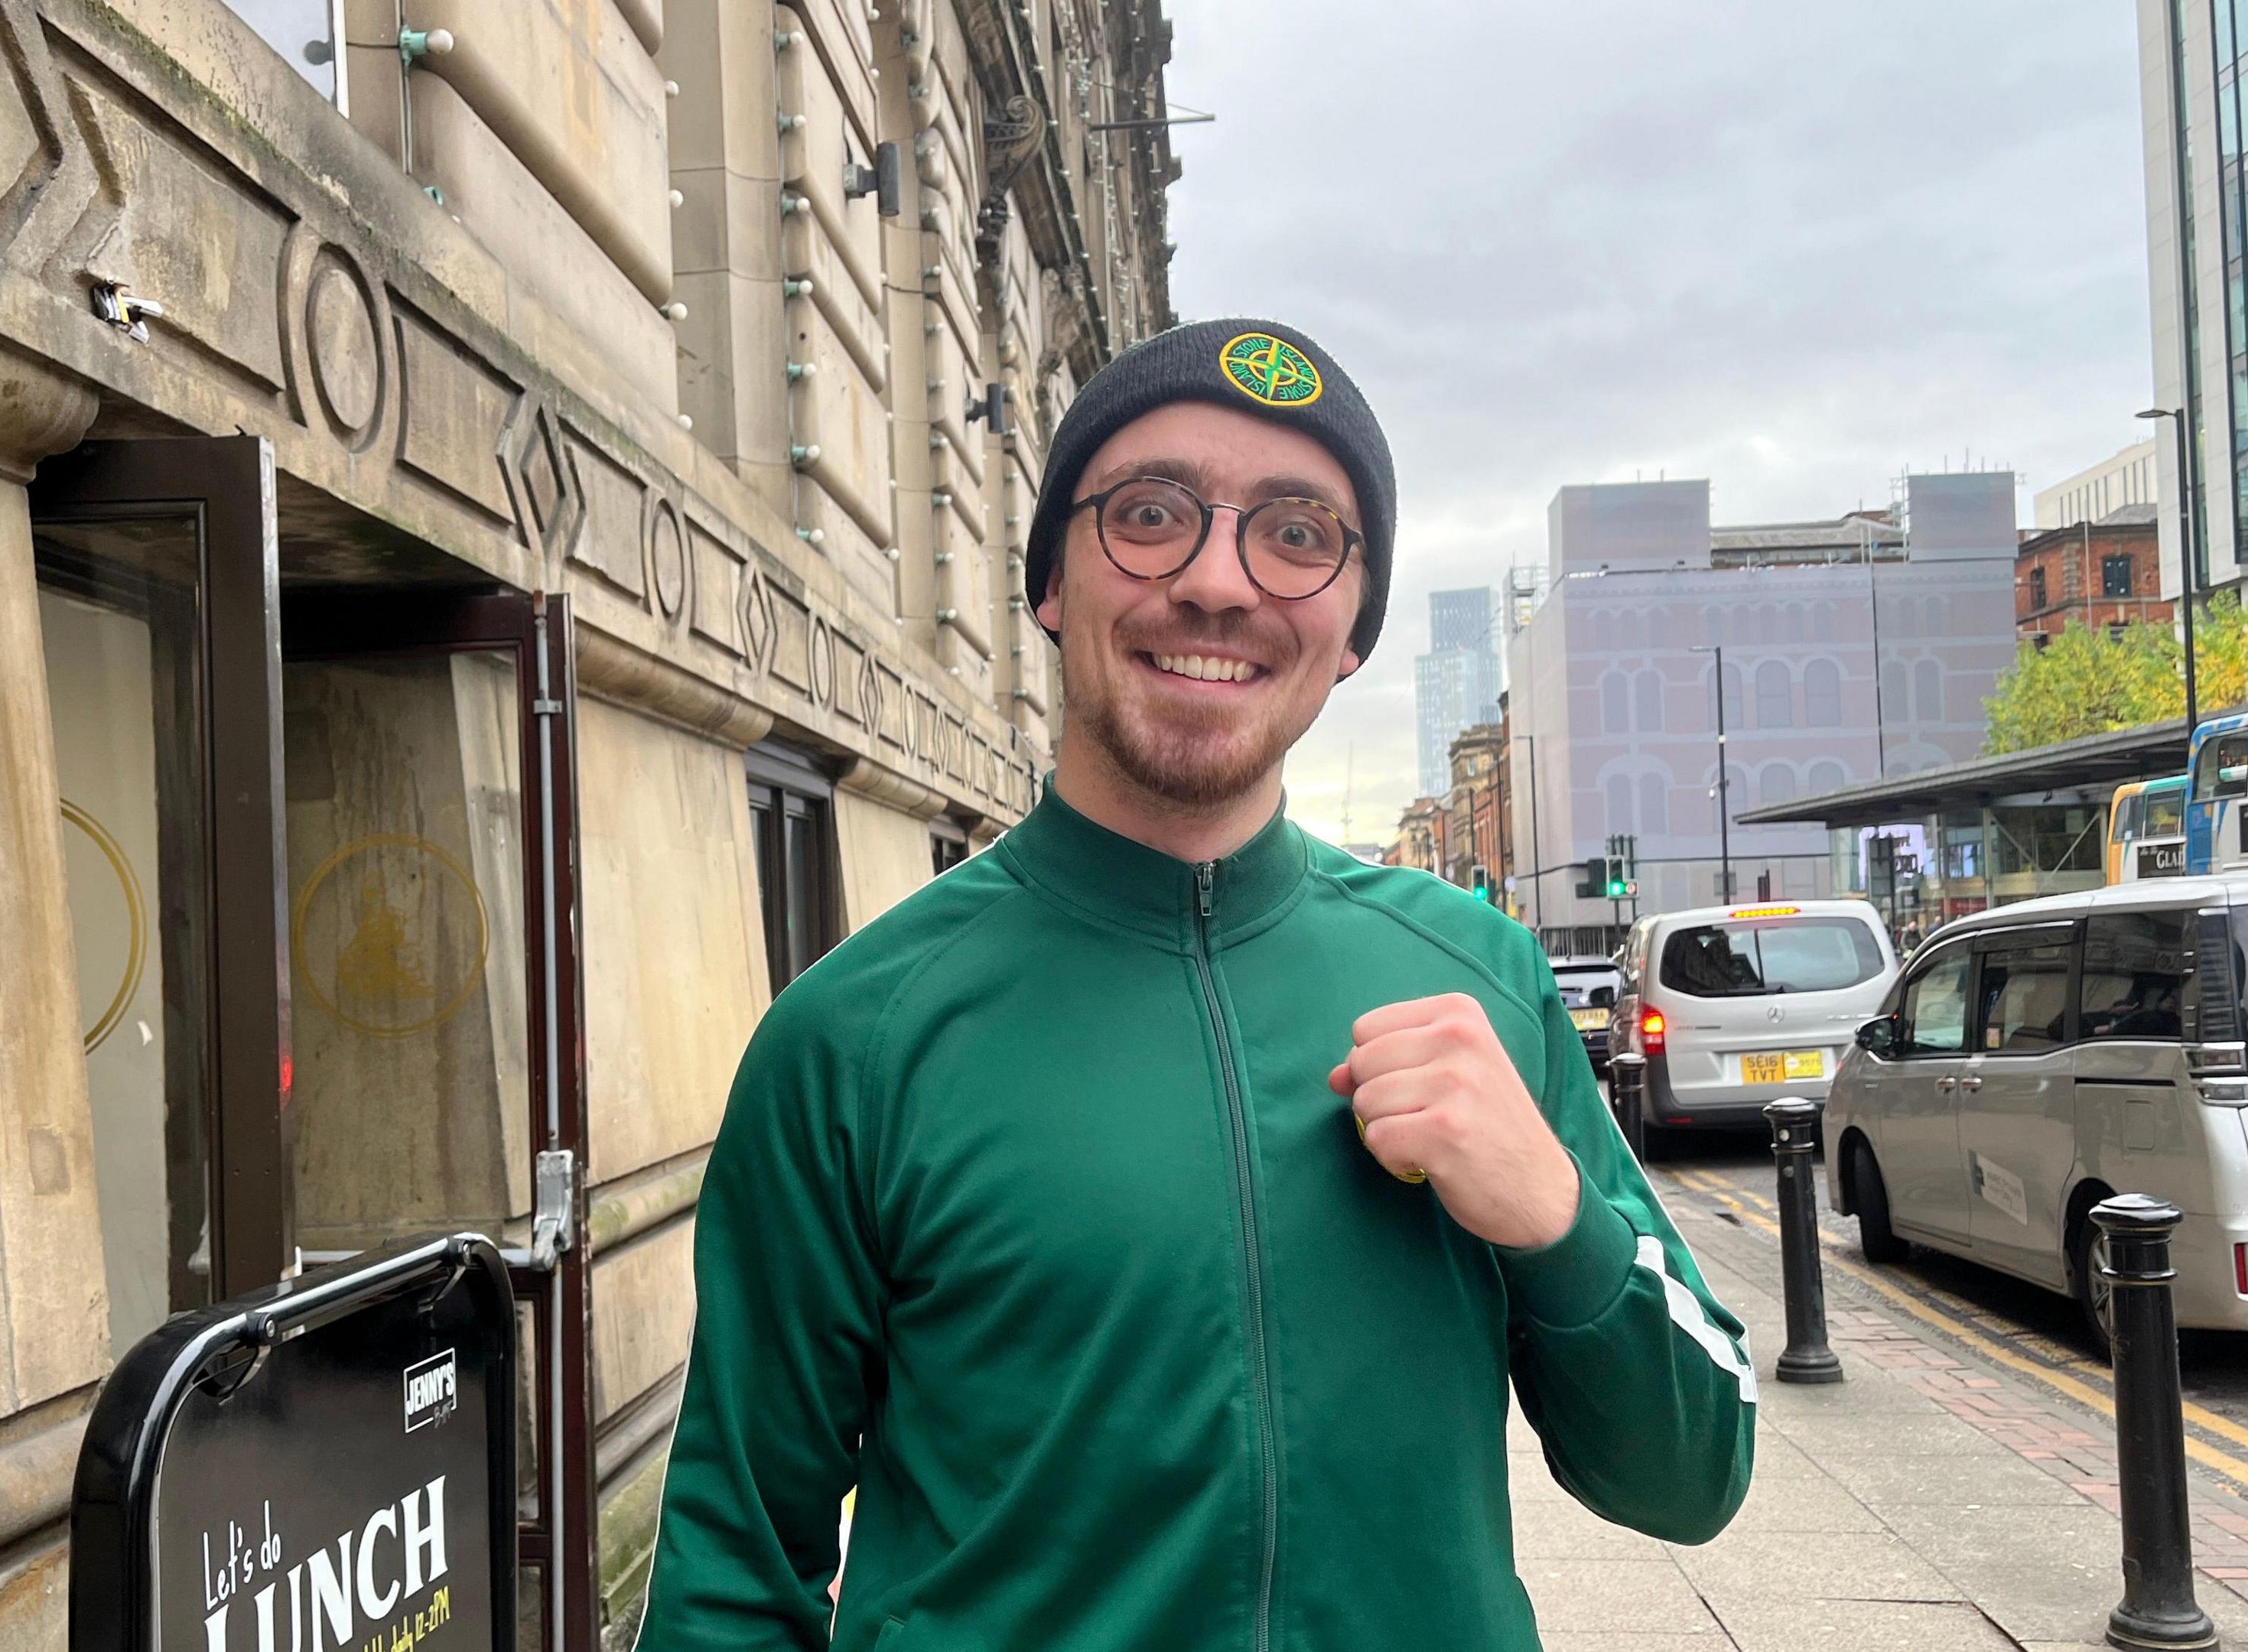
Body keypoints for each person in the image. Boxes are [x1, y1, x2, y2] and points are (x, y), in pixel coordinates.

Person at [639, 320, 1755, 1651]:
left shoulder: (1484, 984)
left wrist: (1558, 1218)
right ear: (1051, 581)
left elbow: (1695, 1479)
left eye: (1297, 534)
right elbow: (727, 1570)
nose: (1219, 583)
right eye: (1153, 514)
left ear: (1351, 631)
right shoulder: (853, 1037)